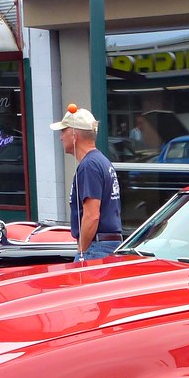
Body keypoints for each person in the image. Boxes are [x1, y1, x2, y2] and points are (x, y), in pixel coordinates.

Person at [50, 105, 123, 262]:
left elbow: (91, 216)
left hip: (97, 248)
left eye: (63, 131)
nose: (61, 137)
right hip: (106, 245)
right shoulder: (102, 162)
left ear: (74, 136)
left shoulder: (89, 166)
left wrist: (81, 251)